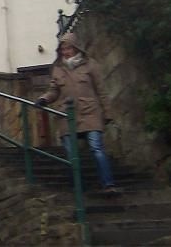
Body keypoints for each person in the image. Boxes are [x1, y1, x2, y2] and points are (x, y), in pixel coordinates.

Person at [36, 32, 120, 196]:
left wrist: (107, 113)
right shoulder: (58, 69)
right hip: (67, 115)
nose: (66, 52)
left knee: (97, 148)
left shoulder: (90, 65)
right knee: (71, 154)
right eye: (63, 49)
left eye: (68, 48)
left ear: (76, 48)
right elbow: (54, 90)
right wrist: (43, 99)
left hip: (90, 112)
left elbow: (101, 90)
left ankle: (108, 183)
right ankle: (79, 186)